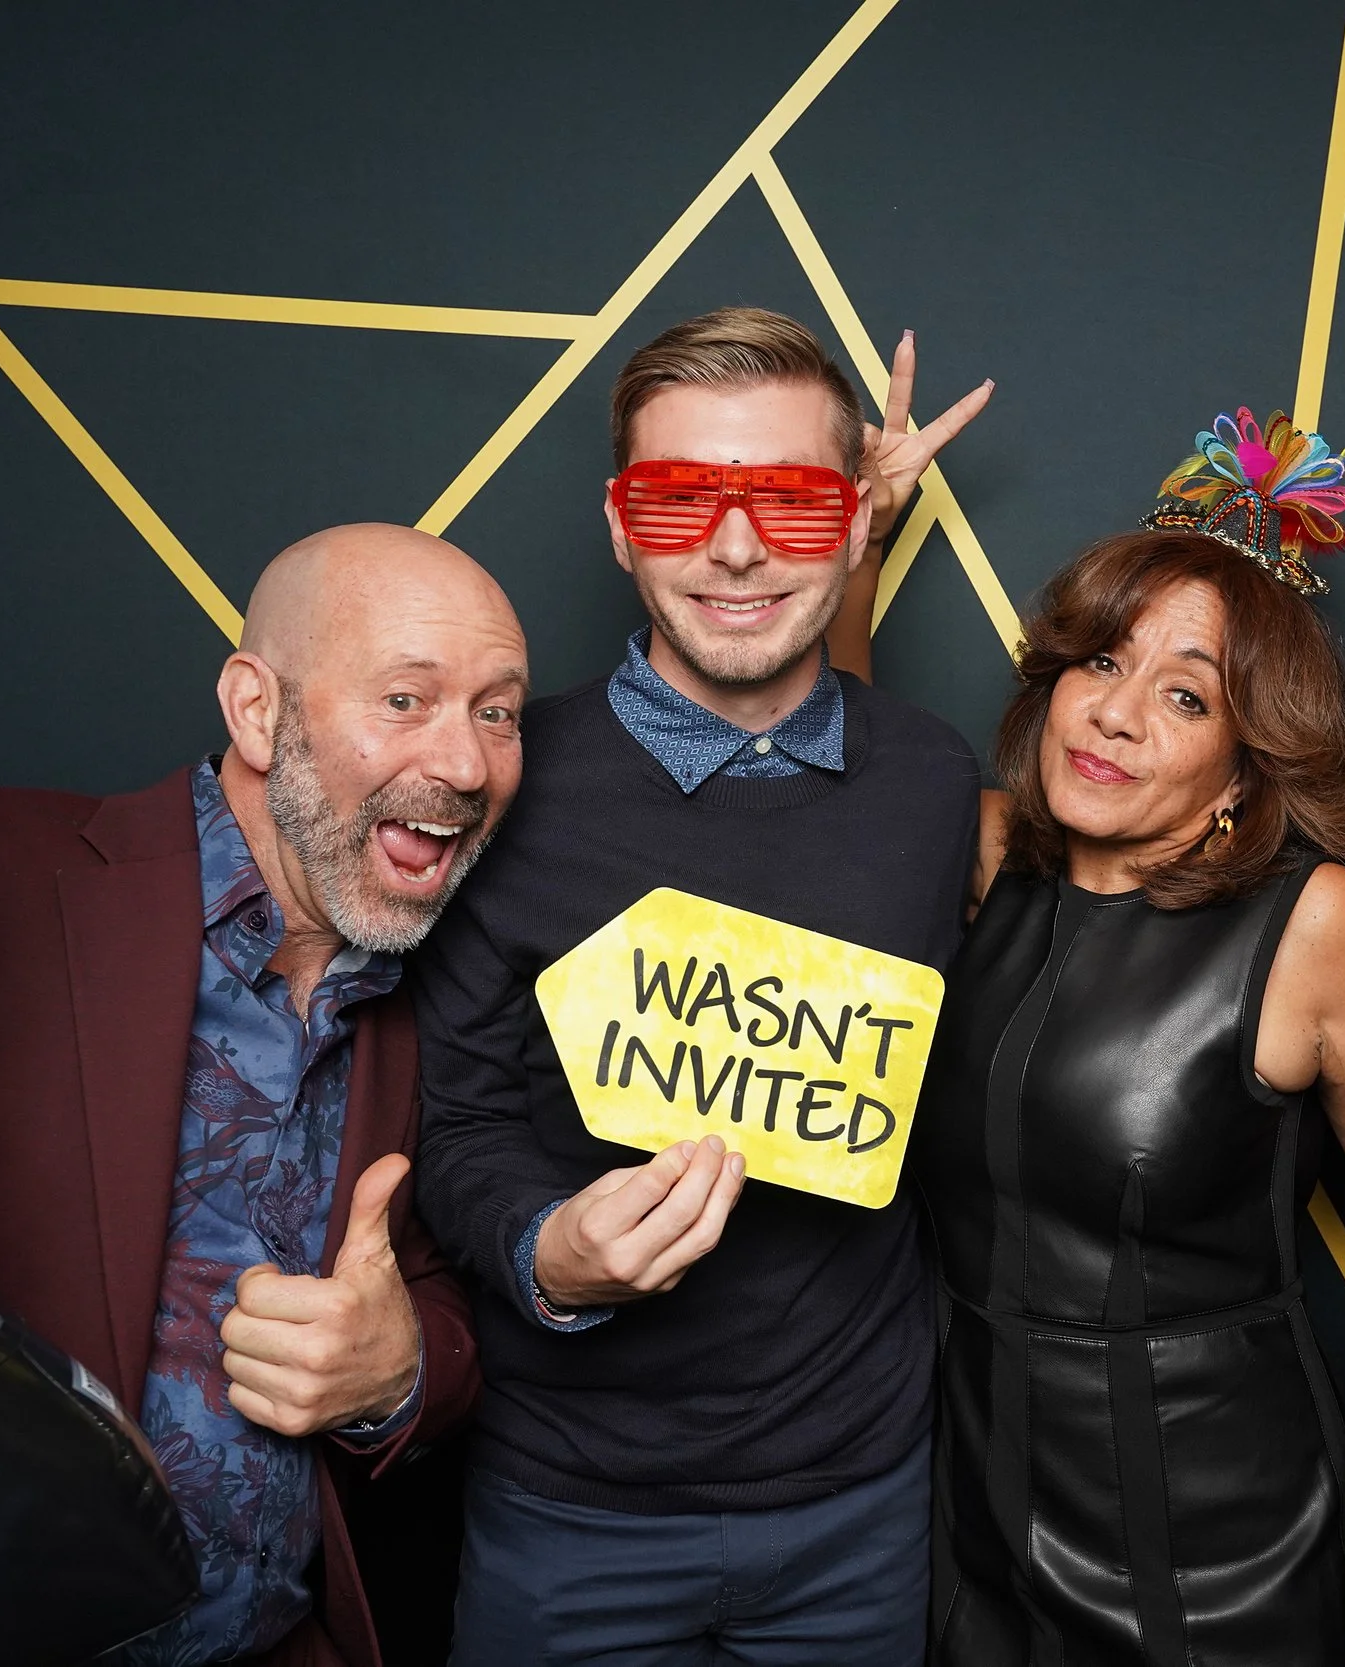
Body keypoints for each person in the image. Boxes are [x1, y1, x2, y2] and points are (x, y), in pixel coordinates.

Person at [410, 306, 988, 1665]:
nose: (731, 546)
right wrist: (546, 1248)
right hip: (570, 1504)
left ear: (856, 528)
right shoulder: (504, 783)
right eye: (681, 498)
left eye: (790, 502)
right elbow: (460, 1122)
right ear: (620, 523)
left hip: (863, 1500)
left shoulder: (929, 779)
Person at [0, 522, 525, 1666]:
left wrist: (399, 1367)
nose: (468, 764)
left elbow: (440, 1286)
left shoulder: (456, 988)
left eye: (497, 710)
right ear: (257, 710)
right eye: (406, 699)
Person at [912, 409, 1345, 1667]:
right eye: (1100, 664)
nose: (1114, 716)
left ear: (1239, 768)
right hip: (978, 1494)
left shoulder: (1312, 921)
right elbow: (854, 755)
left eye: (1184, 694)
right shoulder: (990, 856)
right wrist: (859, 536)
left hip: (1220, 1525)